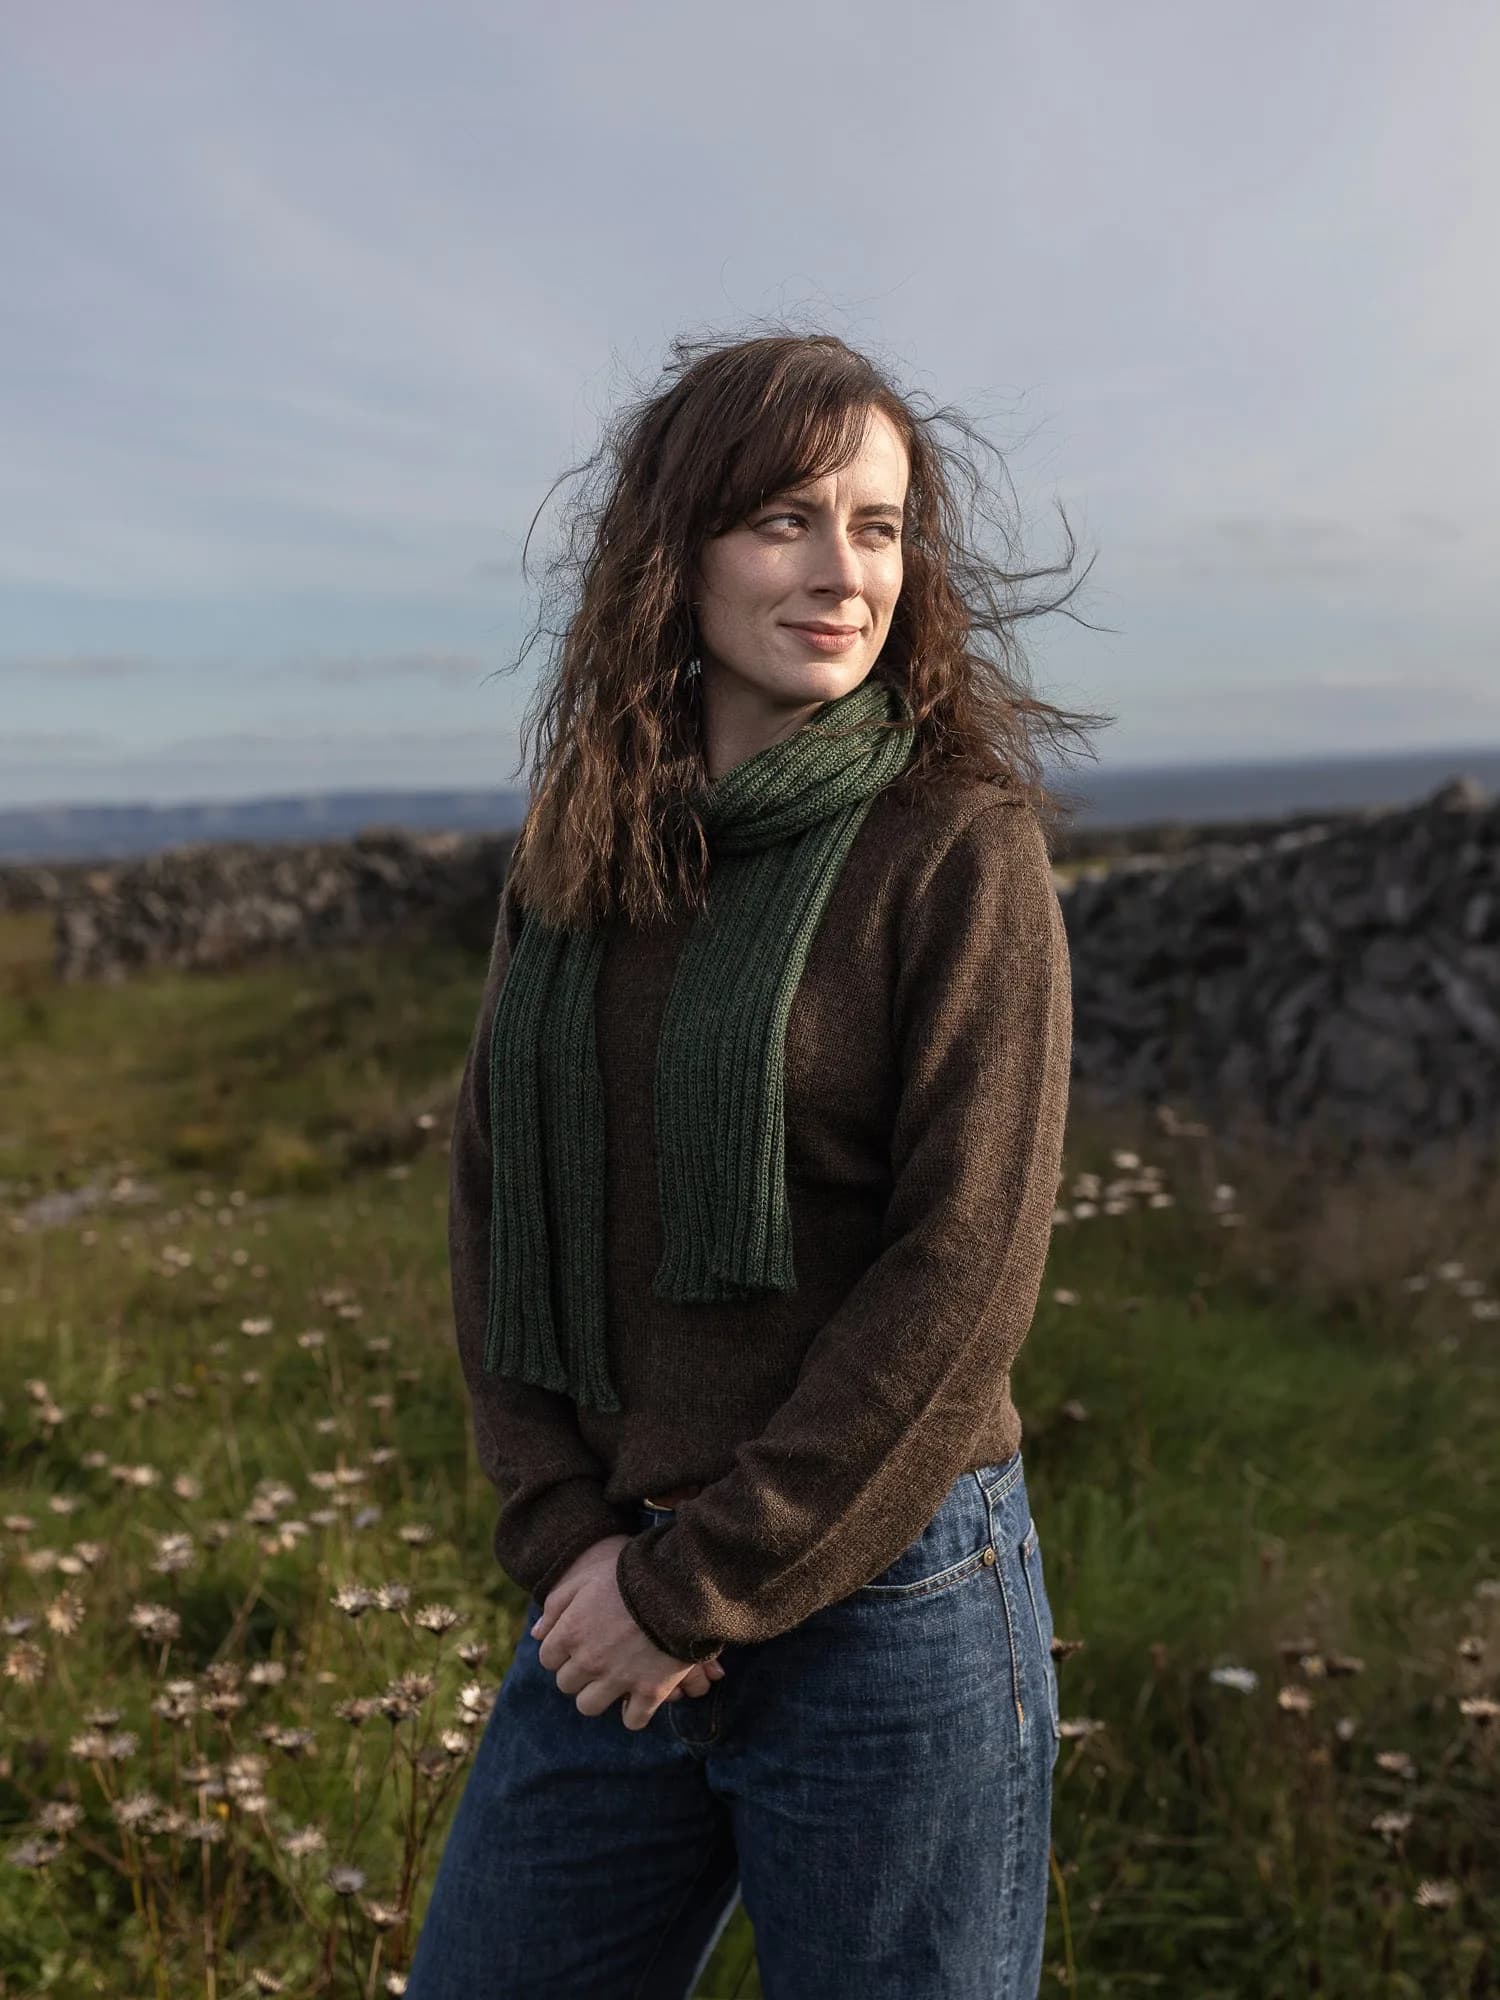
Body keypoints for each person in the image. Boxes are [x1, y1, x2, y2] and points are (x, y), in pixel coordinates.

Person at [406, 326, 1109, 2000]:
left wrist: (695, 1585)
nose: (843, 570)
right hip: (612, 1589)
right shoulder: (582, 852)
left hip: (890, 1606)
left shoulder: (956, 846)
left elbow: (966, 1276)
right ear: (681, 549)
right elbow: (495, 1204)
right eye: (788, 517)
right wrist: (569, 1536)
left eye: (878, 526)